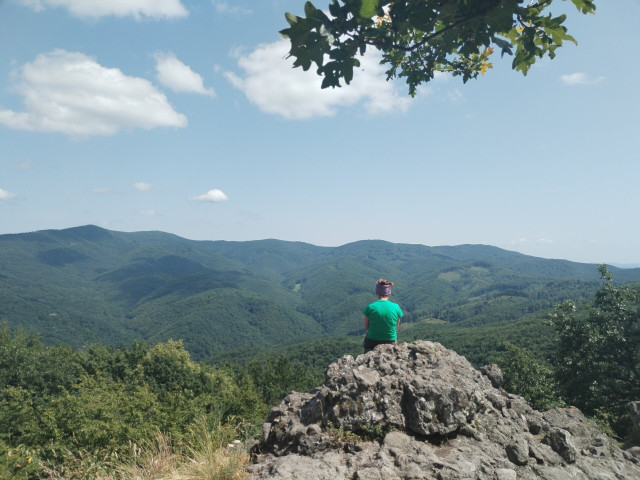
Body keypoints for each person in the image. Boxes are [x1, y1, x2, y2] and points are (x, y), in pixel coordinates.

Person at [363, 279, 403, 353]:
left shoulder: (370, 307)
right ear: (389, 293)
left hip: (372, 341)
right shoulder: (396, 307)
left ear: (377, 292)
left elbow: (366, 327)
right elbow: (395, 326)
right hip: (391, 341)